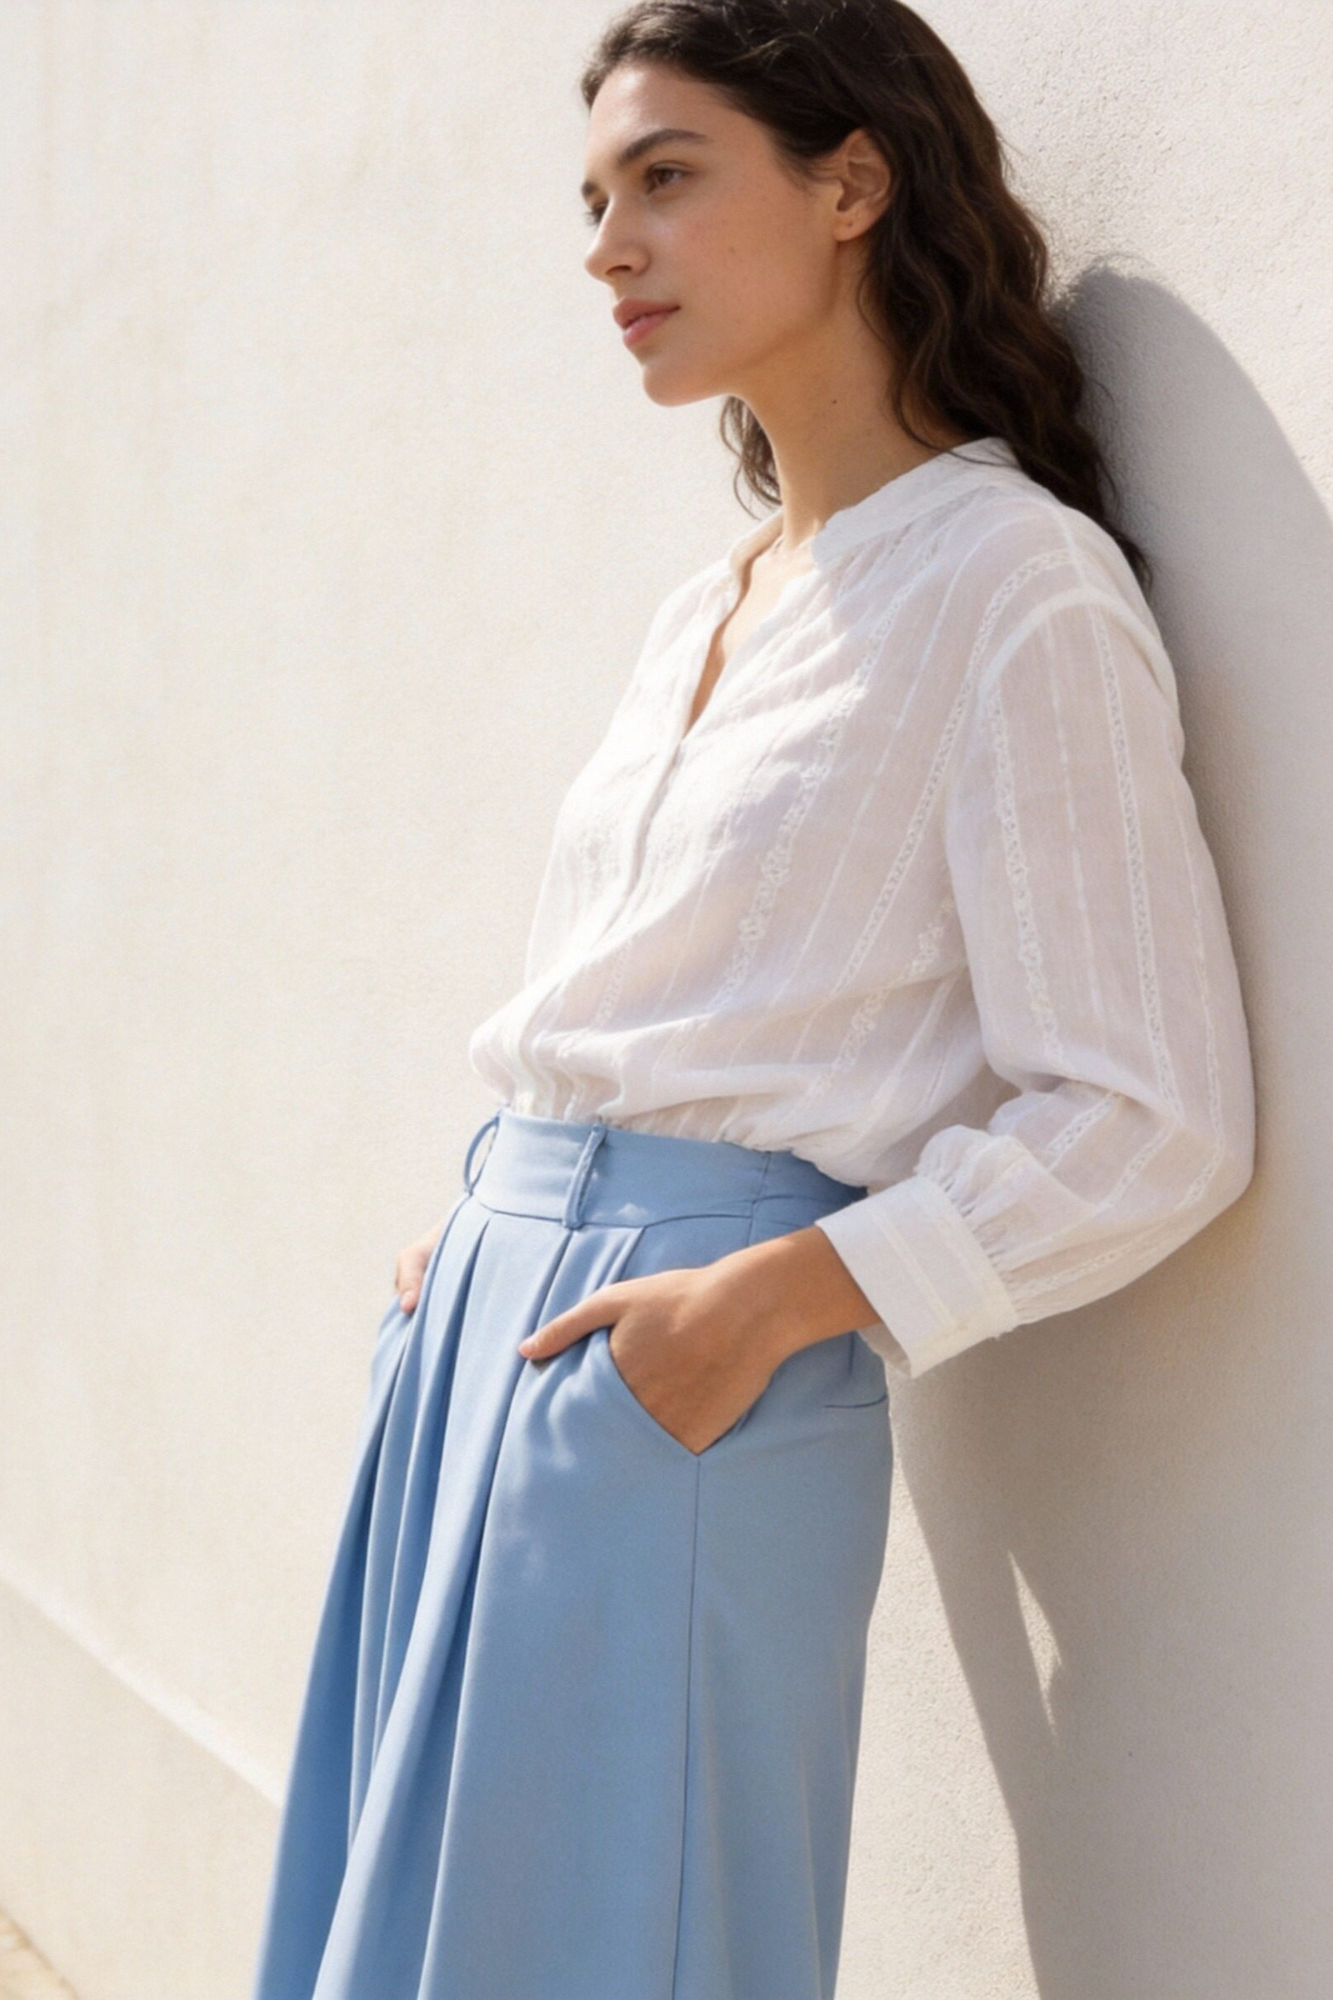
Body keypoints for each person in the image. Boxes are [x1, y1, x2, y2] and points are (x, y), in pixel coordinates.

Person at [249, 3, 1256, 1995]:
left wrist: (788, 1297)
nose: (607, 247)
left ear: (852, 182)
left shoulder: (1016, 585)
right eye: (593, 199)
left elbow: (1155, 1111)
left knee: (614, 1947)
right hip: (488, 1343)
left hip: (691, 1367)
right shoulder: (706, 607)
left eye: (667, 178)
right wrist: (476, 1232)